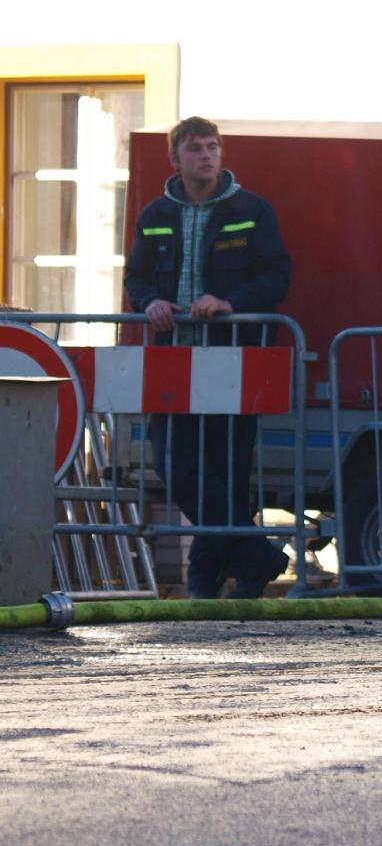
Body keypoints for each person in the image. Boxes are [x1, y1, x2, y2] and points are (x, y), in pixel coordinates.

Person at [122, 117, 292, 599]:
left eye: (213, 146)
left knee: (226, 471)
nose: (206, 155)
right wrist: (150, 302)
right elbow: (136, 276)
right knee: (174, 463)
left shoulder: (251, 210)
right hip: (173, 359)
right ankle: (255, 557)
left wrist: (229, 302)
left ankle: (207, 579)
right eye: (195, 148)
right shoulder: (155, 214)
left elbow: (277, 276)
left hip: (231, 358)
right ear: (175, 160)